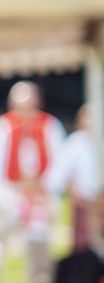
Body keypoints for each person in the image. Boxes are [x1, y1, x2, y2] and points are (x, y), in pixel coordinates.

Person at [0, 81, 65, 283]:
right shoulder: (3, 128)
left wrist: (44, 187)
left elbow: (60, 165)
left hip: (40, 196)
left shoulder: (50, 126)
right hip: (11, 193)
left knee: (39, 236)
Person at [48, 105, 102, 253]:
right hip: (82, 202)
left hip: (101, 203)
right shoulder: (75, 144)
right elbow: (60, 174)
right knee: (82, 245)